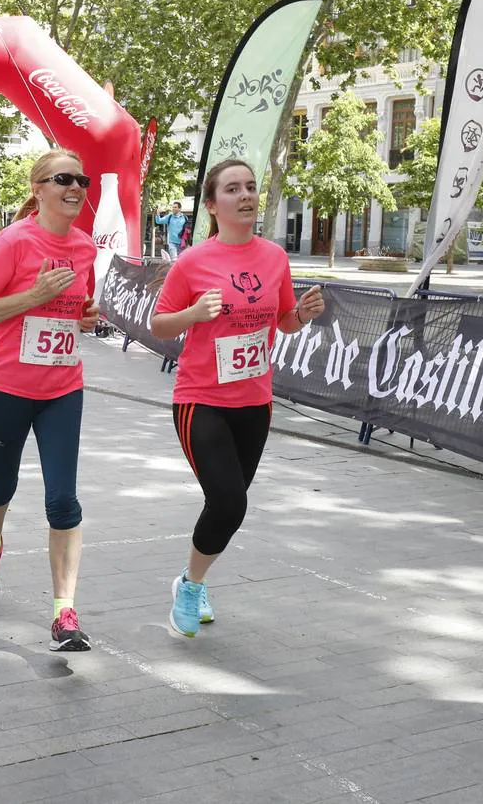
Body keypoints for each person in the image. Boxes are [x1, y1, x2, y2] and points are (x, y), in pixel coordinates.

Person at [149, 159, 325, 638]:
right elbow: (159, 324)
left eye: (250, 187)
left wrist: (301, 315)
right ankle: (189, 589)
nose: (246, 195)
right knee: (229, 503)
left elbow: (282, 320)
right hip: (201, 399)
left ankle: (193, 579)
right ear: (212, 204)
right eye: (232, 189)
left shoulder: (273, 257)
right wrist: (192, 312)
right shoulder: (193, 261)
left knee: (228, 504)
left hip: (254, 401)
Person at [0, 148, 101, 652]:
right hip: (5, 389)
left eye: (81, 179)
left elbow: (76, 306)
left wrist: (83, 317)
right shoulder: (13, 243)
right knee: (2, 484)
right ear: (39, 188)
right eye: (64, 178)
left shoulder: (85, 248)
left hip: (63, 388)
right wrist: (33, 297)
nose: (76, 187)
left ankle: (64, 613)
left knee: (63, 500)